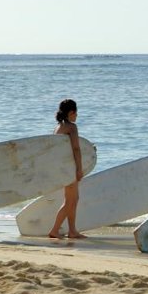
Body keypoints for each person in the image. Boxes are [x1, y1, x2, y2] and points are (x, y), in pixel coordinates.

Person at [49, 99, 86, 239]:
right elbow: (76, 149)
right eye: (76, 113)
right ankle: (54, 230)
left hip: (62, 168)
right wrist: (79, 168)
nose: (77, 116)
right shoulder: (71, 127)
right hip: (70, 169)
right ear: (71, 112)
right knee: (71, 200)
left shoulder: (57, 127)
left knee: (73, 199)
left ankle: (72, 231)